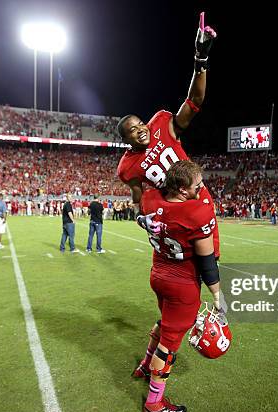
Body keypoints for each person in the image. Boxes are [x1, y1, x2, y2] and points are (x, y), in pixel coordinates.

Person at [116, 12, 220, 258]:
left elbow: (194, 101)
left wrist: (201, 59)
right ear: (126, 140)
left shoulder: (162, 124)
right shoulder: (128, 167)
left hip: (198, 196)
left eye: (140, 123)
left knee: (210, 259)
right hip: (172, 211)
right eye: (133, 130)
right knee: (180, 267)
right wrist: (140, 217)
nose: (141, 129)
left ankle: (214, 295)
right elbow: (137, 198)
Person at [133, 161, 226, 412]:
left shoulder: (151, 198)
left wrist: (142, 219)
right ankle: (154, 404)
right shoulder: (196, 213)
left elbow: (143, 210)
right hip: (182, 285)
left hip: (158, 275)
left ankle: (144, 365)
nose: (202, 187)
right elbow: (207, 264)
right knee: (169, 345)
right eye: (198, 185)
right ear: (183, 190)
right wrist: (218, 296)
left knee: (165, 324)